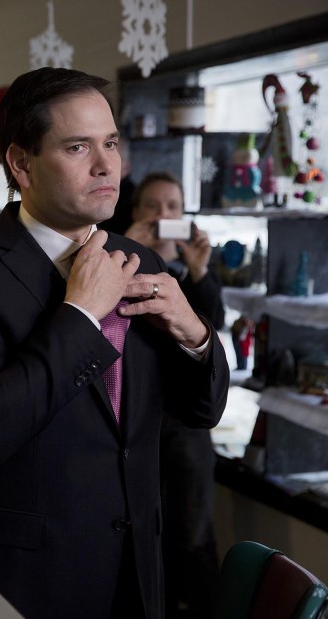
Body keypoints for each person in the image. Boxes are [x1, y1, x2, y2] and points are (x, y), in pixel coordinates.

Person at [0, 67, 229, 618]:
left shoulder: (143, 260)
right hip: (22, 574)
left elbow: (202, 410)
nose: (107, 165)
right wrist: (81, 315)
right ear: (20, 162)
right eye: (78, 146)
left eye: (111, 143)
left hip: (134, 565)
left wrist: (195, 334)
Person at [124, 171, 226, 619]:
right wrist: (124, 248)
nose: (162, 215)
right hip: (133, 427)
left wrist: (201, 272)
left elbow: (213, 344)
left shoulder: (193, 272)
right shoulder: (117, 263)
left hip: (185, 430)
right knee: (143, 538)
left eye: (172, 207)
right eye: (152, 206)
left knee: (193, 534)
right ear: (135, 212)